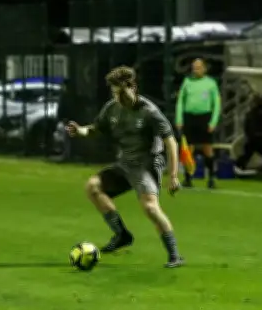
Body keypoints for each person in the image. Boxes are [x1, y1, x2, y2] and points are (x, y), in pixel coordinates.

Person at [65, 65, 184, 268]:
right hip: (124, 164)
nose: (118, 98)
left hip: (146, 166)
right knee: (93, 187)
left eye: (121, 93)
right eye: (114, 93)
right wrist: (80, 131)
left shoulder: (149, 111)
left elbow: (171, 141)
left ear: (133, 87)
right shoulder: (112, 108)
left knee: (150, 208)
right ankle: (121, 234)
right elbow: (96, 129)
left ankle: (175, 255)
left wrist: (173, 175)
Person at [175, 58, 222, 188]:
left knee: (208, 149)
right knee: (188, 149)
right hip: (189, 117)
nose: (196, 70)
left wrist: (213, 122)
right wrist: (179, 119)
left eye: (199, 67)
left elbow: (217, 104)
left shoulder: (211, 83)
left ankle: (211, 178)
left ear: (204, 69)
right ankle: (188, 178)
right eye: (194, 67)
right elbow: (180, 101)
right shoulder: (187, 82)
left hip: (205, 117)